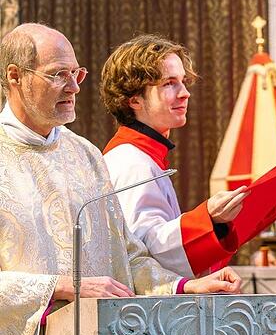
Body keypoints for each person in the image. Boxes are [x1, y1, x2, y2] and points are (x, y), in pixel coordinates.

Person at [0, 23, 242, 335]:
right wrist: (58, 285)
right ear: (15, 77)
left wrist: (182, 287)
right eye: (58, 74)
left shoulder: (86, 156)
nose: (73, 87)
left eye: (77, 74)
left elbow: (125, 254)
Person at [100, 34, 249, 278]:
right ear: (134, 99)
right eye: (169, 83)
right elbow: (142, 252)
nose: (185, 93)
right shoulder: (131, 162)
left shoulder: (144, 157)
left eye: (183, 81)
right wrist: (208, 217)